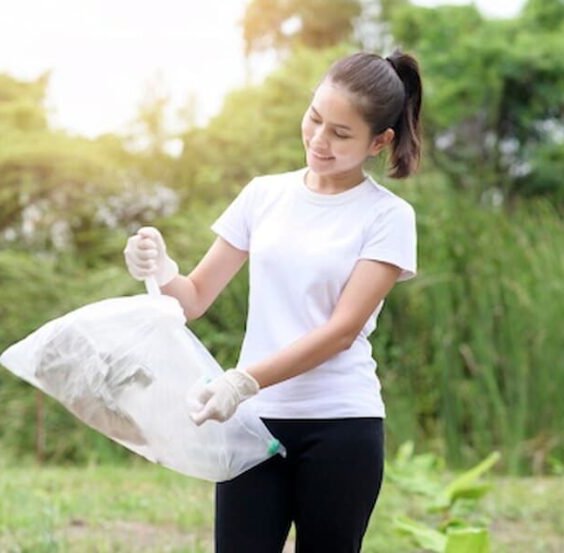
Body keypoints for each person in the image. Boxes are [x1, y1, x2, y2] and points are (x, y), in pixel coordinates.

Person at [123, 48, 421, 553]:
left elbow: (342, 330)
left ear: (380, 141)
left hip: (341, 426)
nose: (319, 140)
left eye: (341, 133)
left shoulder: (387, 216)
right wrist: (161, 269)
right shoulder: (264, 196)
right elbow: (193, 298)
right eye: (315, 118)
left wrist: (244, 380)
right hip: (251, 424)